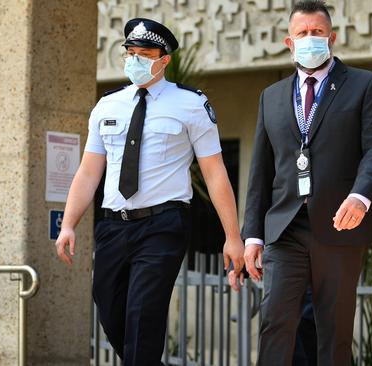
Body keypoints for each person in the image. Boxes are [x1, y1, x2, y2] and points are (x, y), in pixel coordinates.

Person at [54, 18, 245, 365]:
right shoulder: (107, 106)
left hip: (162, 225)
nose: (135, 60)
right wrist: (69, 224)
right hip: (113, 226)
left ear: (164, 60)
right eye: (130, 53)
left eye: (144, 54)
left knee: (143, 313)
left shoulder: (190, 104)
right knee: (110, 308)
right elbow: (88, 171)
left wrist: (233, 236)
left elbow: (215, 173)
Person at [240, 1, 372, 364]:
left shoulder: (365, 85)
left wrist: (360, 196)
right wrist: (253, 235)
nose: (310, 39)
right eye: (302, 34)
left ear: (332, 38)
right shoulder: (272, 96)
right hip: (285, 227)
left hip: (341, 224)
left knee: (334, 331)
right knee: (275, 321)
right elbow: (261, 169)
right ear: (288, 43)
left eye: (317, 33)